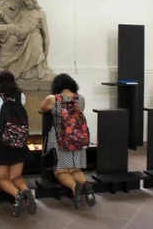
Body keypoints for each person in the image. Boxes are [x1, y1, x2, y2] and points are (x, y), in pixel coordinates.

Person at [0, 70, 37, 217]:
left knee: (1, 178)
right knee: (16, 176)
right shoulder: (21, 96)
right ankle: (26, 191)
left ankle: (17, 195)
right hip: (18, 140)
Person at [40, 73, 95, 209]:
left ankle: (75, 187)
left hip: (60, 140)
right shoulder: (81, 99)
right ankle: (86, 184)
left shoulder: (53, 99)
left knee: (61, 171)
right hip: (78, 140)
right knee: (75, 169)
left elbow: (42, 109)